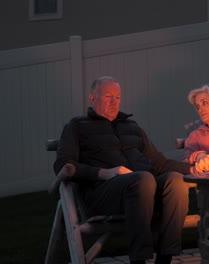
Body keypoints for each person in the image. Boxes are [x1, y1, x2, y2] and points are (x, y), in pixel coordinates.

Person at [54, 76, 194, 264]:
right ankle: (139, 259)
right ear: (92, 98)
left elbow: (159, 163)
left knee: (176, 181)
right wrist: (105, 173)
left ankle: (165, 258)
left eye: (118, 97)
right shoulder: (77, 126)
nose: (114, 102)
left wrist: (194, 168)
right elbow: (63, 164)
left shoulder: (131, 126)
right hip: (104, 193)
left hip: (144, 190)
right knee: (143, 179)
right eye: (108, 96)